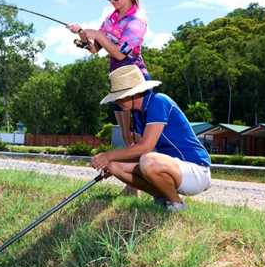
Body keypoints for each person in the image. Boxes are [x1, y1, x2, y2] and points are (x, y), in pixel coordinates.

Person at [68, 0, 149, 194]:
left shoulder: (137, 20)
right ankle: (133, 183)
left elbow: (121, 53)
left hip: (134, 80)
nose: (113, 0)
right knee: (125, 135)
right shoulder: (111, 19)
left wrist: (96, 33)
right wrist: (84, 37)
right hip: (116, 80)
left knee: (138, 135)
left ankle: (137, 183)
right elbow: (96, 49)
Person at [90, 65, 211, 212]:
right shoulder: (139, 113)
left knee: (148, 160)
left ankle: (177, 204)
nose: (117, 102)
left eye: (120, 97)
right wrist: (109, 161)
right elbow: (138, 151)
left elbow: (146, 147)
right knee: (114, 166)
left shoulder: (159, 102)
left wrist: (108, 155)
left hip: (196, 170)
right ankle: (162, 198)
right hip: (172, 168)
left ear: (134, 93)